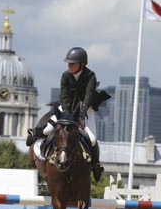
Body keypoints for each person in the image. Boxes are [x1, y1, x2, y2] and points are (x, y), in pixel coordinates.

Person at [27, 47, 110, 182]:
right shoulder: (65, 76)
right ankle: (35, 133)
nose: (69, 66)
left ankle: (96, 164)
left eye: (72, 63)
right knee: (49, 128)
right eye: (69, 63)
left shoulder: (90, 76)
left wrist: (82, 113)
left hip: (86, 110)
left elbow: (88, 96)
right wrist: (66, 113)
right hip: (67, 108)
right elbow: (64, 96)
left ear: (81, 64)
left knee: (92, 139)